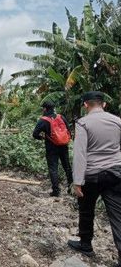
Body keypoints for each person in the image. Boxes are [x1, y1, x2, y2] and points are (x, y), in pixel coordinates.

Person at [67, 91, 121, 265]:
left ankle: (85, 244)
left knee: (86, 210)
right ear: (104, 104)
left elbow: (80, 154)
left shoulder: (83, 123)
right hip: (115, 173)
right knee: (118, 215)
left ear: (85, 105)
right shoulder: (118, 121)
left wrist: (77, 182)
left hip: (92, 175)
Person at [33, 101, 73, 197]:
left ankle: (56, 191)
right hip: (63, 146)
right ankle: (71, 188)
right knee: (67, 166)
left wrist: (42, 137)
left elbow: (35, 134)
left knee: (53, 169)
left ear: (45, 109)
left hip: (51, 147)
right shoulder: (61, 117)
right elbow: (68, 131)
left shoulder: (43, 120)